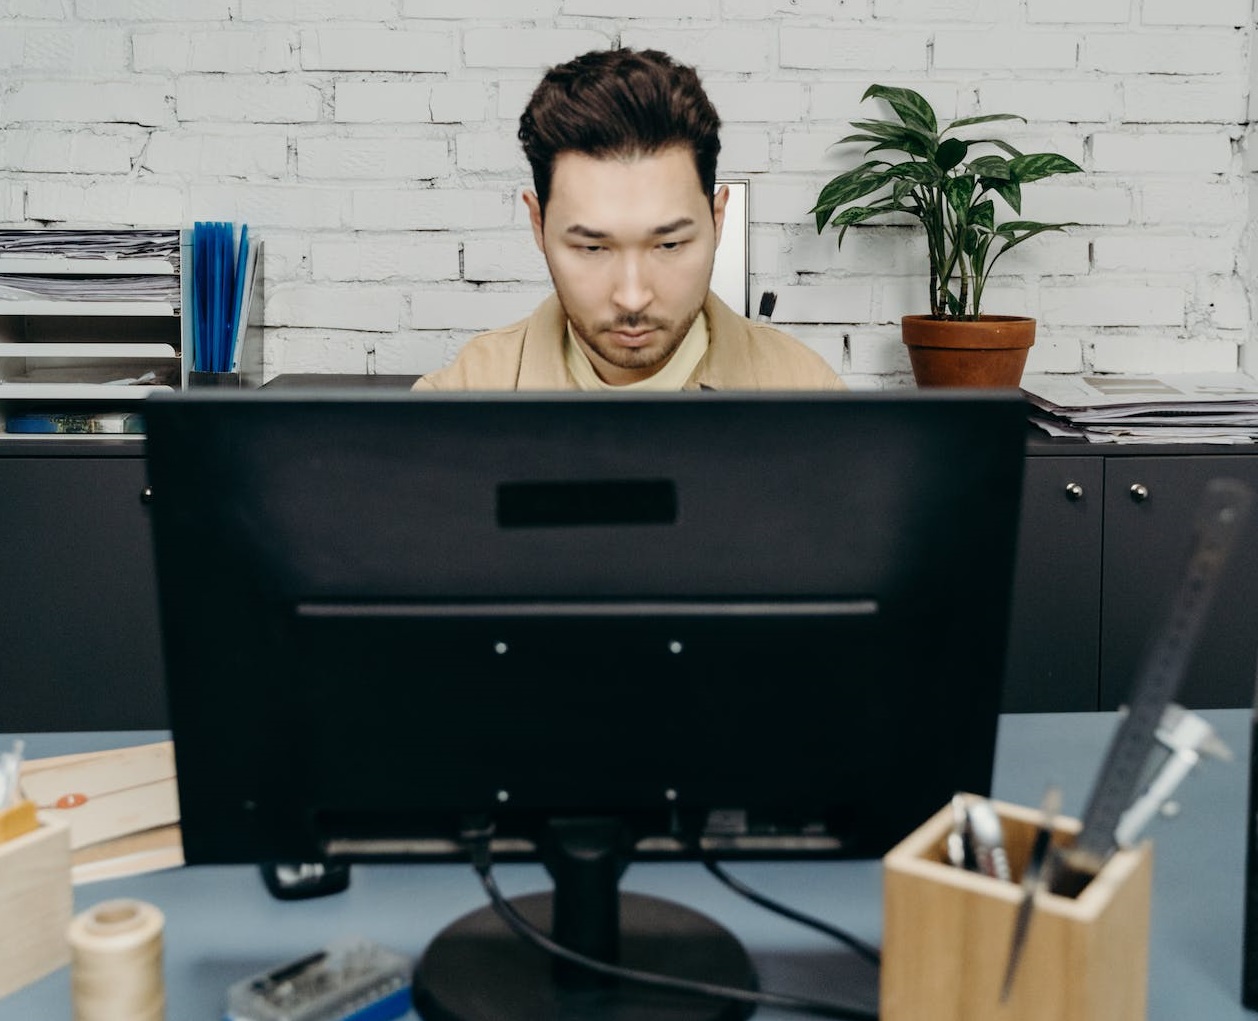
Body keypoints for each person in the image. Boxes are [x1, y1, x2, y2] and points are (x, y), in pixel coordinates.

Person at [414, 48, 843, 392]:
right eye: (593, 248)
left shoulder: (811, 398)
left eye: (669, 245)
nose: (633, 298)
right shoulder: (457, 401)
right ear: (538, 225)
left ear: (717, 219)